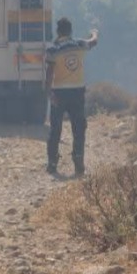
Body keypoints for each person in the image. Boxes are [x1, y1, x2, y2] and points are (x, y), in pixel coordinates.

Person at [44, 17, 99, 177]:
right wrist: (94, 32)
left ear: (58, 31)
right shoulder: (80, 44)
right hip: (77, 93)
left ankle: (52, 163)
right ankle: (78, 162)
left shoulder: (53, 50)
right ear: (70, 31)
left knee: (55, 129)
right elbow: (93, 42)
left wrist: (49, 93)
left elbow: (49, 73)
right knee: (79, 128)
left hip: (58, 93)